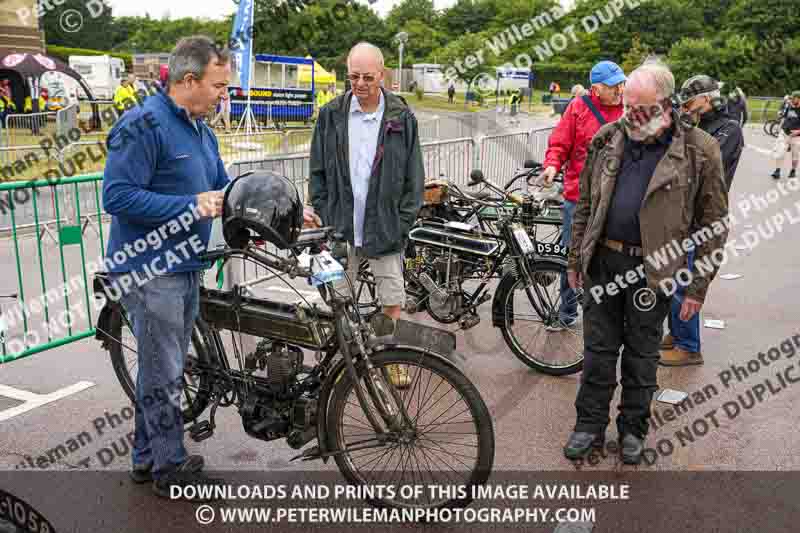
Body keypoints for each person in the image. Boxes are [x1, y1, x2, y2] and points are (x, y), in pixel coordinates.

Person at [103, 36, 247, 500]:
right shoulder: (141, 125)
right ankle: (169, 466)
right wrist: (190, 205)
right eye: (219, 85)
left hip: (185, 266)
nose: (225, 94)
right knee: (165, 372)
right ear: (189, 81)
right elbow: (117, 197)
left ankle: (146, 459)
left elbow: (223, 188)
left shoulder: (201, 128)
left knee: (161, 368)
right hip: (148, 270)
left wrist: (272, 207)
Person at [563, 61, 728, 464]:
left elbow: (714, 223)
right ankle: (588, 426)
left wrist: (697, 288)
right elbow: (585, 203)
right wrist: (575, 258)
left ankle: (633, 430)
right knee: (598, 353)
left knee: (641, 356)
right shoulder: (607, 139)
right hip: (604, 262)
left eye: (639, 107)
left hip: (653, 272)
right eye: (625, 105)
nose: (628, 115)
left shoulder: (699, 149)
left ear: (666, 105)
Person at [309, 42, 425, 388]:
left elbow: (413, 179)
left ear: (382, 74)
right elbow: (317, 171)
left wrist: (401, 223)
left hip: (385, 228)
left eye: (367, 77)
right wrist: (326, 216)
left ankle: (389, 358)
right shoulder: (331, 114)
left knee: (391, 299)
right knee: (338, 299)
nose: (359, 84)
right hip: (341, 228)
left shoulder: (401, 117)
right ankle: (341, 361)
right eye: (353, 77)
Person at [656, 75, 744, 367]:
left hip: (704, 214)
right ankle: (677, 332)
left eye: (691, 102)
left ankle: (689, 346)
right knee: (673, 277)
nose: (688, 107)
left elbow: (697, 161)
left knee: (686, 279)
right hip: (684, 212)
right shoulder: (698, 125)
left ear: (708, 98)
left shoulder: (729, 129)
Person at [540, 61, 626, 330]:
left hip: (617, 197)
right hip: (580, 197)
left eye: (621, 84)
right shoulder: (578, 108)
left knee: (613, 257)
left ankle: (611, 315)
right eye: (613, 87)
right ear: (595, 89)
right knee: (573, 255)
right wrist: (552, 165)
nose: (619, 90)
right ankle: (567, 312)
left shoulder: (629, 109)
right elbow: (559, 142)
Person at [770, 90, 800, 180]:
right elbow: (785, 117)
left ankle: (793, 170)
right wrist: (779, 127)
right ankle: (777, 171)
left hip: (796, 137)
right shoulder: (789, 106)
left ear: (798, 99)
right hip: (784, 133)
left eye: (793, 98)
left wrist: (798, 132)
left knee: (795, 155)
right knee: (780, 152)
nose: (791, 100)